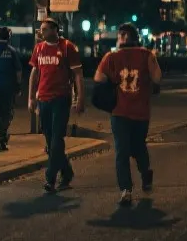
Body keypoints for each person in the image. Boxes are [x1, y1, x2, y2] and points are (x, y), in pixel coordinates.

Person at [95, 22, 161, 206]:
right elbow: (157, 78)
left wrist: (114, 81)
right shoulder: (147, 55)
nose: (119, 38)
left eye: (120, 35)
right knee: (135, 147)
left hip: (121, 111)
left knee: (124, 150)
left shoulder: (112, 57)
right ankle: (138, 178)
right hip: (138, 112)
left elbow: (98, 78)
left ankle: (129, 188)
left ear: (123, 37)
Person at [28, 18, 84, 193]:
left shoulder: (67, 47)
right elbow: (34, 72)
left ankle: (50, 178)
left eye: (44, 29)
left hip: (61, 99)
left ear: (55, 30)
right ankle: (66, 172)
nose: (41, 32)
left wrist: (80, 98)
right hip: (43, 99)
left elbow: (77, 74)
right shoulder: (39, 48)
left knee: (56, 139)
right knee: (49, 139)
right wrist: (31, 97)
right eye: (41, 29)